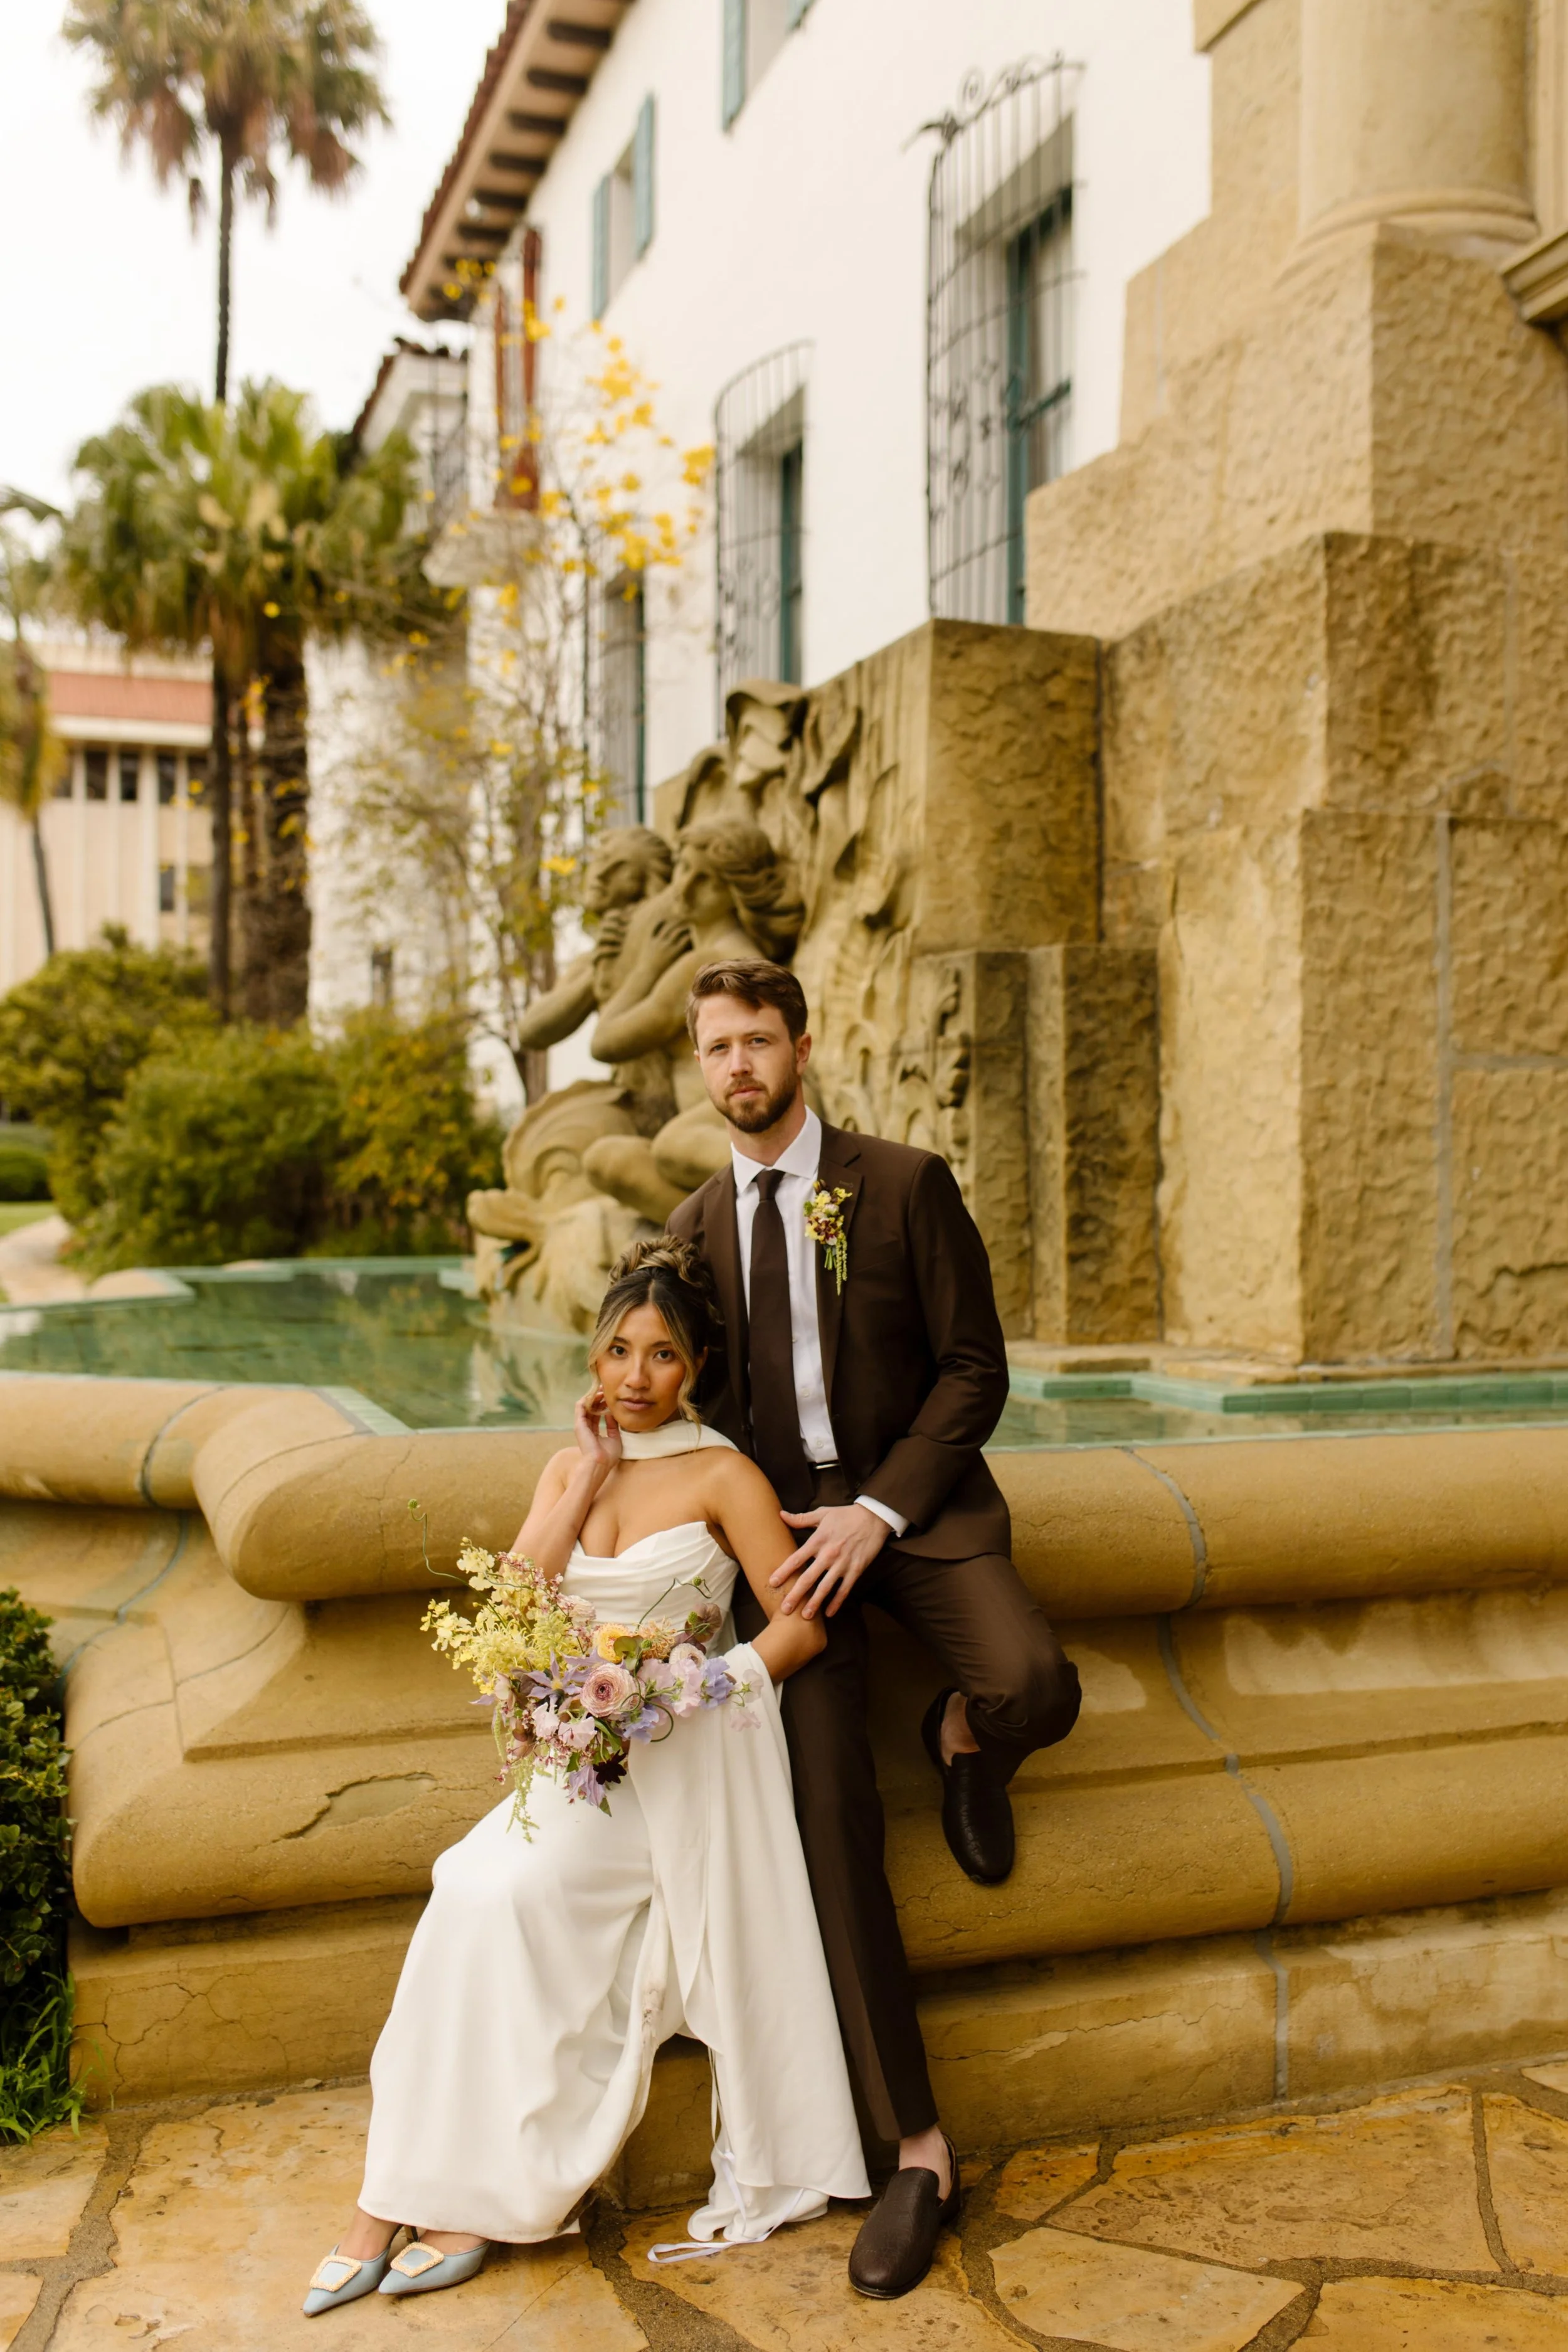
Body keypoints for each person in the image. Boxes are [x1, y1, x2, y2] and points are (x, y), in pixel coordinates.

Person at [301, 1240, 869, 2317]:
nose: (636, 1375)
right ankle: (387, 2197)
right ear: (593, 1357)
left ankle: (474, 2201)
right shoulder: (571, 1469)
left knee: (506, 1894)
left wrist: (706, 1682)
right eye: (617, 1349)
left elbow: (801, 1621)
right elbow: (523, 1597)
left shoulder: (724, 1474)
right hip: (581, 1769)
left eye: (661, 1354)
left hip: (679, 1773)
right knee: (464, 1885)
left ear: (696, 1363)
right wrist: (590, 1474)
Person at [667, 958, 1083, 2301]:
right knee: (828, 1822)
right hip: (784, 1561)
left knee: (1034, 1684)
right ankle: (917, 2149)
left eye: (756, 1041)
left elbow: (975, 1368)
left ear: (800, 1045)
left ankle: (964, 1734)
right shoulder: (687, 1228)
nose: (736, 1066)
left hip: (914, 1516)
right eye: (715, 1048)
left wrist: (882, 1512)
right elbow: (675, 1404)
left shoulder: (897, 1184)